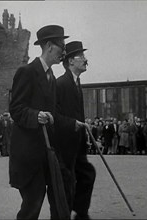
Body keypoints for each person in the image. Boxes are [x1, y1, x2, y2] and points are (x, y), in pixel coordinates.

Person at [9, 25, 69, 219]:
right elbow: (16, 109)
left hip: (47, 153)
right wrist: (36, 116)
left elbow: (54, 114)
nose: (64, 52)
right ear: (50, 46)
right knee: (32, 205)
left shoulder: (51, 77)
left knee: (57, 198)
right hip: (29, 155)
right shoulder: (26, 72)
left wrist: (73, 124)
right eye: (62, 46)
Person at [55, 41, 96, 219]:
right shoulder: (61, 84)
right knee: (66, 184)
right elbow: (53, 115)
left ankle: (80, 212)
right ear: (71, 61)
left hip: (77, 144)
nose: (85, 60)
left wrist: (83, 134)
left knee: (88, 174)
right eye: (81, 57)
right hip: (64, 146)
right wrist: (73, 124)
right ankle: (67, 213)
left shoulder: (77, 83)